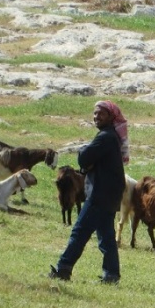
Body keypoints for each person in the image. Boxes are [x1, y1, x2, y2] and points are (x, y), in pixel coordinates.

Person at [49, 100, 129, 284]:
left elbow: (84, 159)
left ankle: (63, 269)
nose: (96, 117)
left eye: (101, 113)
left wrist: (83, 152)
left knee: (79, 231)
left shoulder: (105, 137)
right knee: (106, 236)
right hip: (110, 195)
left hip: (99, 195)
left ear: (111, 117)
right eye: (94, 113)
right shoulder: (111, 137)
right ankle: (111, 275)